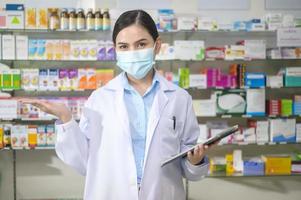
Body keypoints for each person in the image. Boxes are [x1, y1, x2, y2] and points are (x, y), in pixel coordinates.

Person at [21, 10, 215, 200]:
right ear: (115, 50)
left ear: (157, 46)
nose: (132, 52)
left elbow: (190, 169)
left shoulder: (179, 98)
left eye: (141, 44)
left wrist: (194, 161)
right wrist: (66, 119)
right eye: (124, 46)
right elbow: (83, 162)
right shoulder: (100, 99)